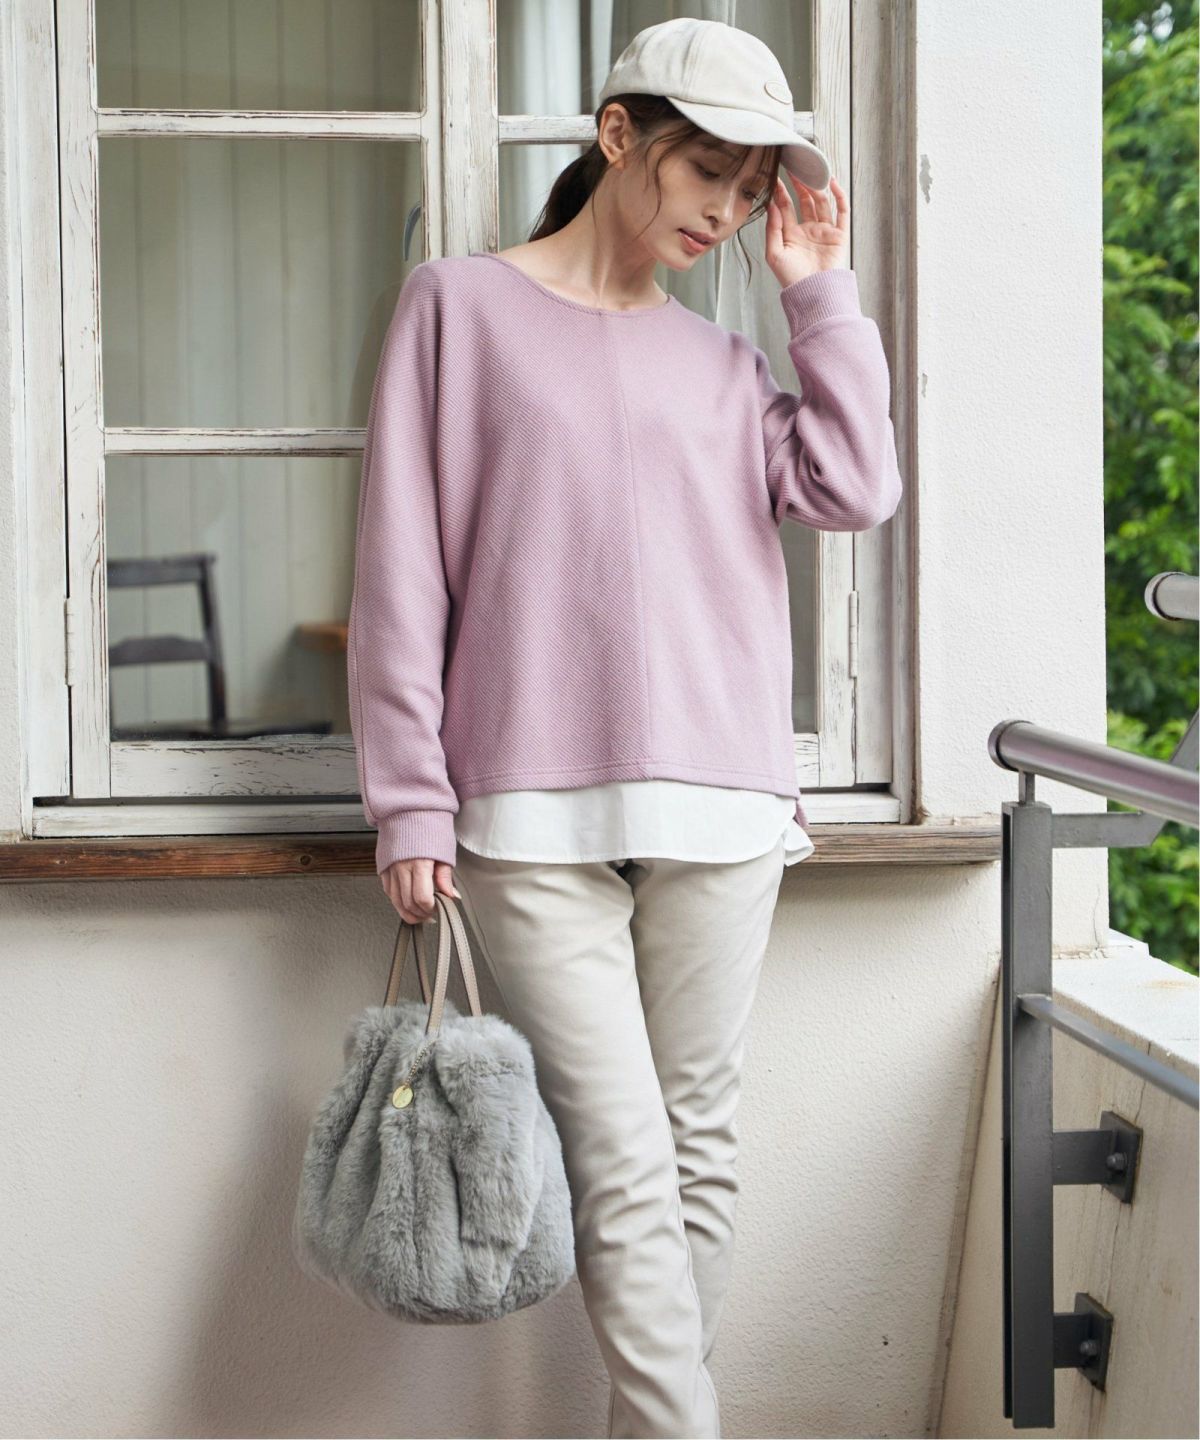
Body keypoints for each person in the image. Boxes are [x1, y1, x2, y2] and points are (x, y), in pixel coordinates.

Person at [346, 18, 902, 1437]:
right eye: (707, 172)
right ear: (617, 135)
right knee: (626, 1158)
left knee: (698, 1154)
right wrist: (409, 799)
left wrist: (818, 297)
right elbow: (402, 571)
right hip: (526, 809)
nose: (726, 213)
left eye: (751, 190)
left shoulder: (725, 365)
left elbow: (855, 486)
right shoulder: (457, 309)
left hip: (724, 800)